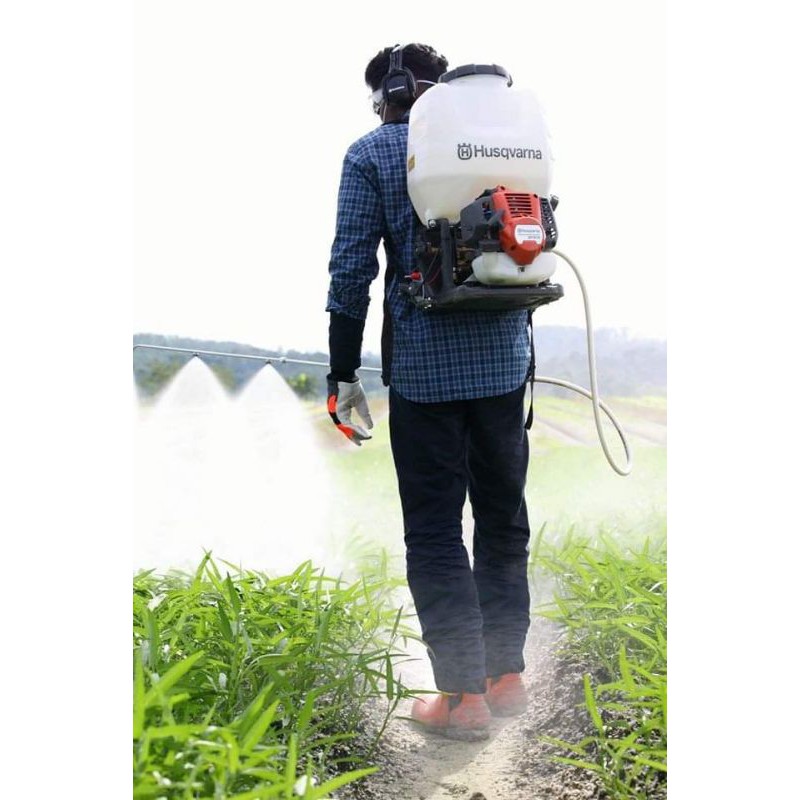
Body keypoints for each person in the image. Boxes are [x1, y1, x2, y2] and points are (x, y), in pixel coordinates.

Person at [325, 43, 534, 741]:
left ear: (386, 93)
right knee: (502, 516)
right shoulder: (501, 143)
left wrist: (343, 373)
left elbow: (351, 270)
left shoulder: (372, 152)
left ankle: (462, 697)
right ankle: (506, 676)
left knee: (437, 531)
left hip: (424, 373)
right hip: (504, 363)